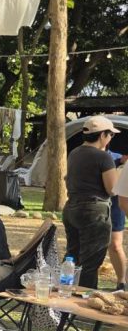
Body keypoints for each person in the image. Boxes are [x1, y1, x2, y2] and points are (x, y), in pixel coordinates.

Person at [64, 116, 120, 290]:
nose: (111, 138)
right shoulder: (103, 157)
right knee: (90, 262)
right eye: (110, 134)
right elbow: (112, 189)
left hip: (72, 208)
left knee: (72, 257)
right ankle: (84, 299)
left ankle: (64, 293)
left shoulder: (74, 153)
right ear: (102, 135)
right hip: (94, 211)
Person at [108, 151, 127, 291]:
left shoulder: (117, 159)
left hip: (115, 206)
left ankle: (121, 283)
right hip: (94, 205)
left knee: (115, 245)